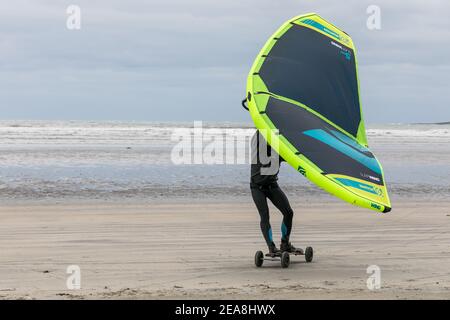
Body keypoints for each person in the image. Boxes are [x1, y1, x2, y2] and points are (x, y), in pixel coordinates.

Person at [250, 130, 300, 255]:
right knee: (265, 216)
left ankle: (285, 244)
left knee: (288, 213)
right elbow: (262, 128)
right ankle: (271, 247)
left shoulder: (280, 149)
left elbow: (296, 157)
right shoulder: (259, 142)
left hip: (272, 186)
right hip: (257, 188)